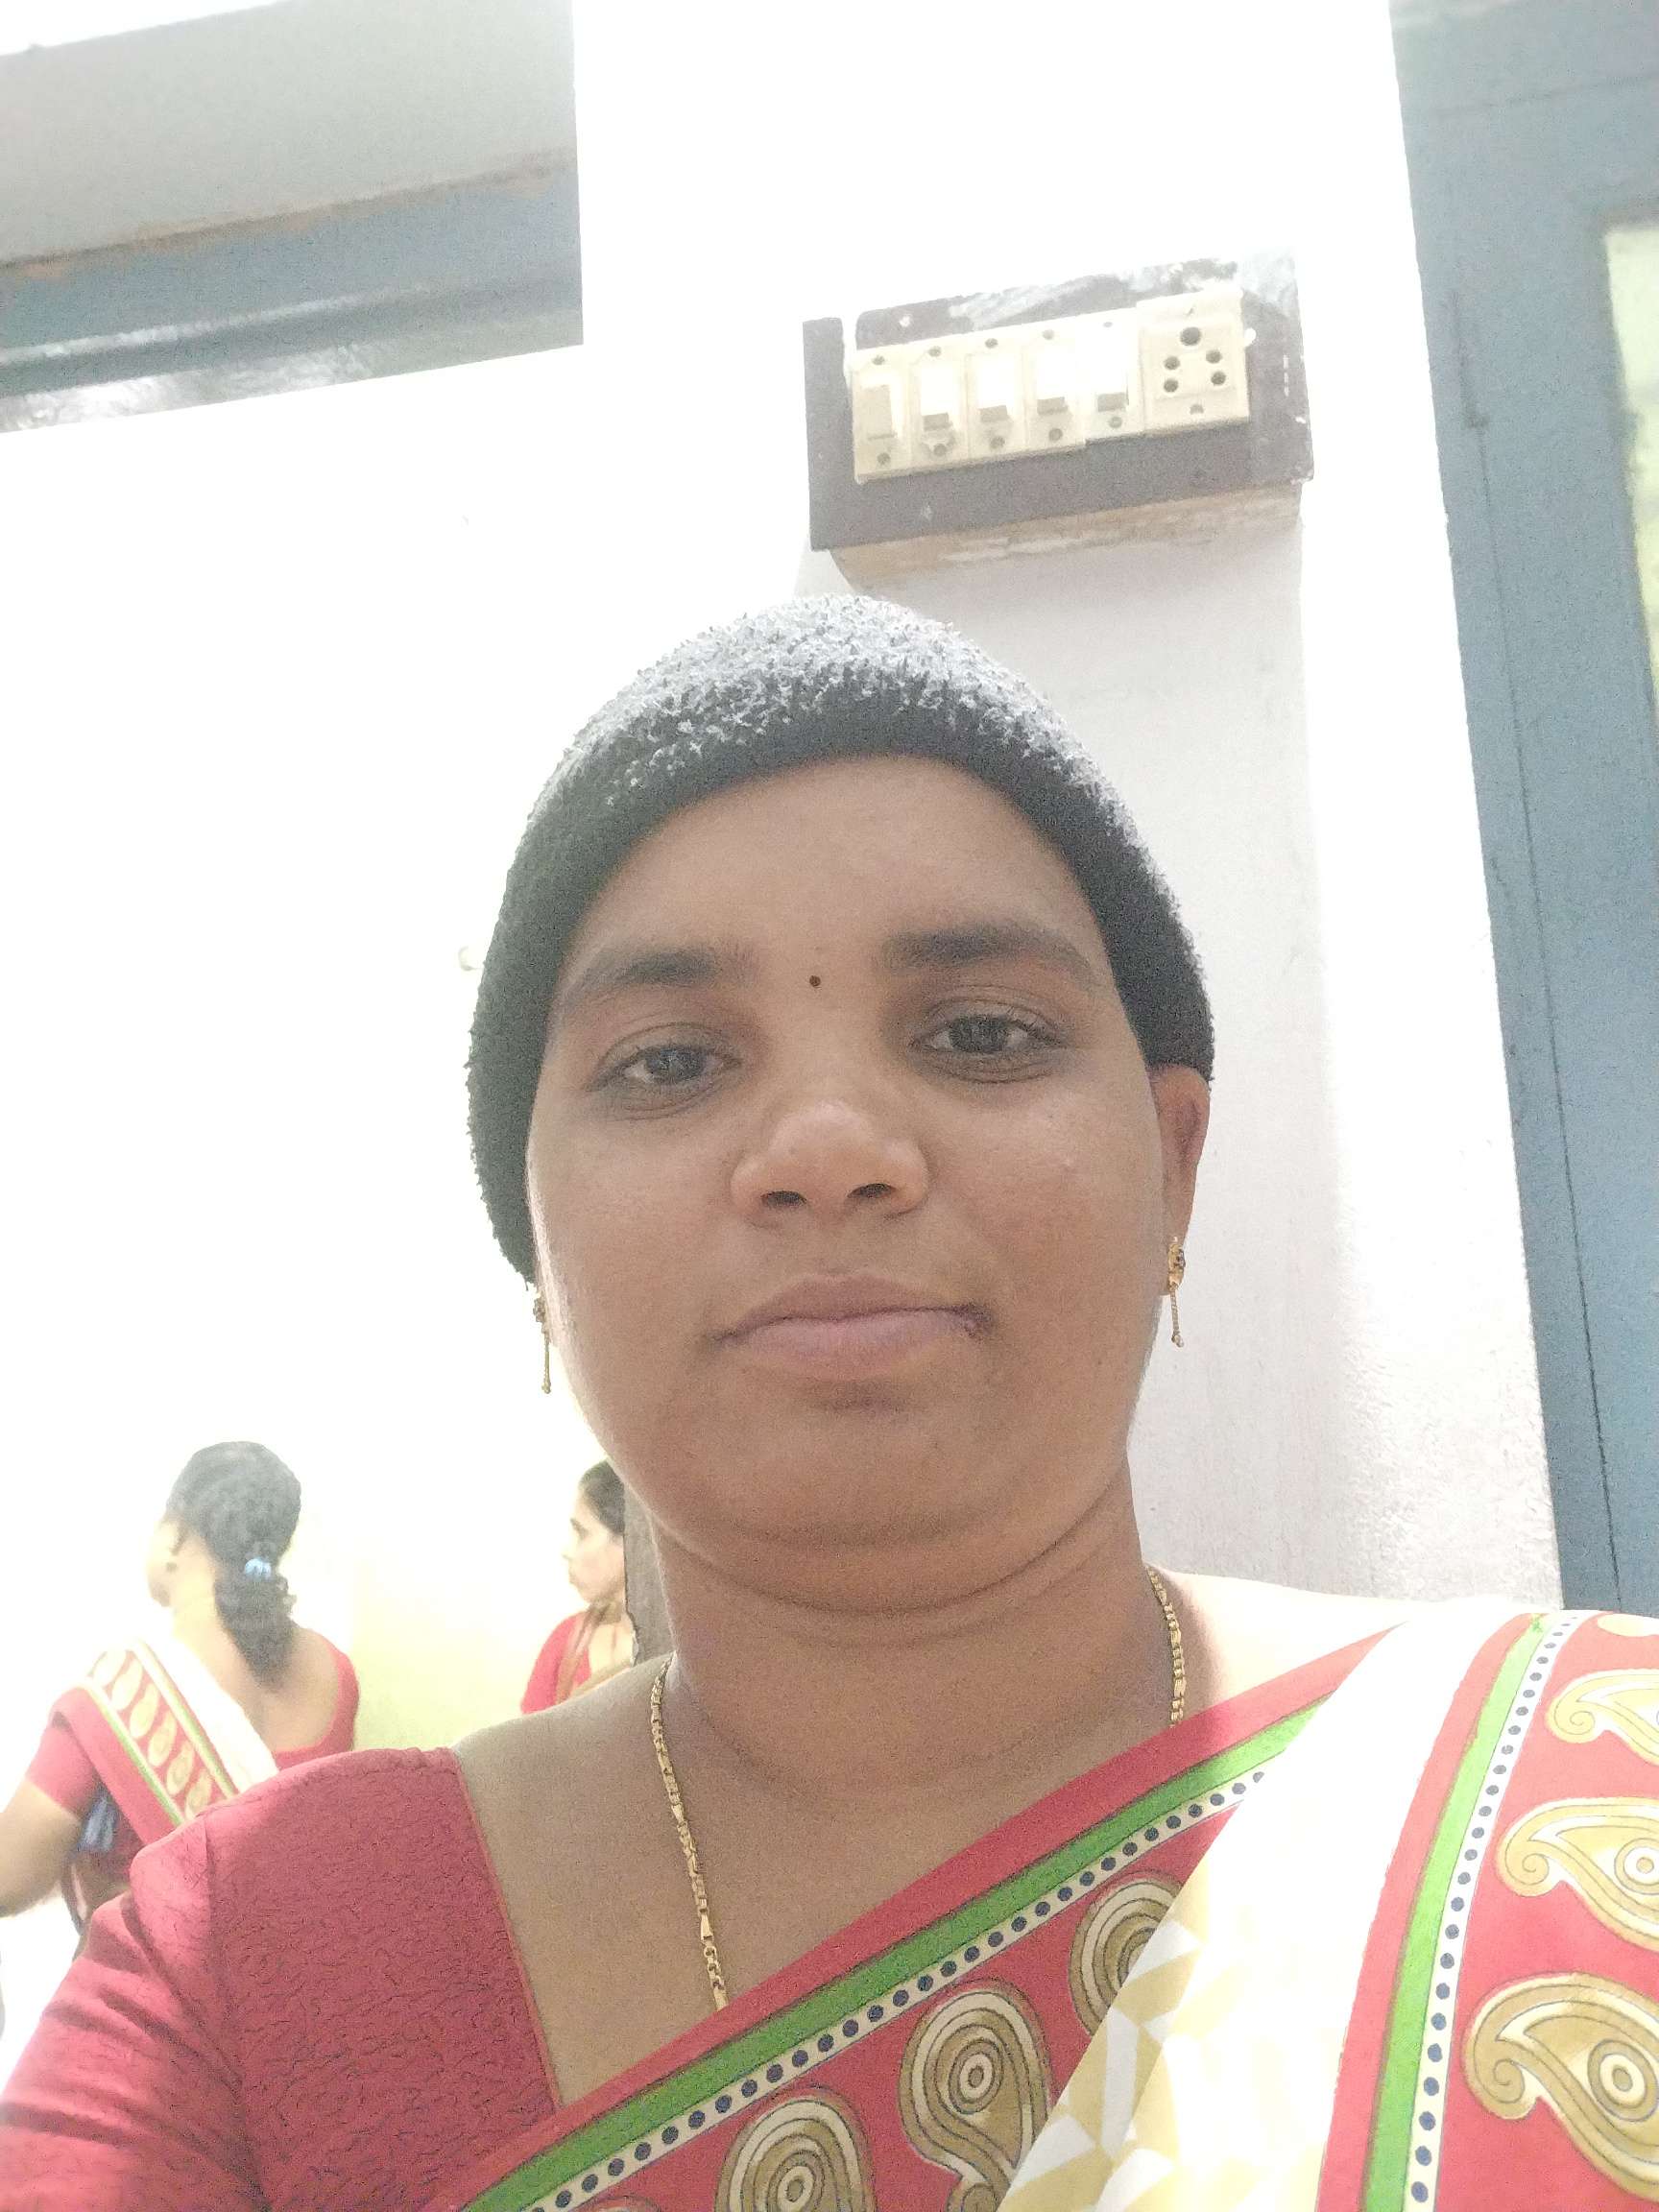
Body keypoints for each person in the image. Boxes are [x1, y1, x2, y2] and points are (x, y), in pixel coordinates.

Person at [1, 597, 1652, 2212]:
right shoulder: (257, 1967)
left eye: (980, 1031)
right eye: (668, 1061)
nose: (829, 1148)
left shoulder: (1596, 1784)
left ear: (1173, 1164)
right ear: (536, 1253)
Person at [0, 1440, 357, 1935]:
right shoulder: (336, 1674)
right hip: (284, 1975)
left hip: (148, 1982)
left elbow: (10, 1877)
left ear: (172, 1537)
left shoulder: (127, 1689)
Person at [521, 1461, 637, 1712]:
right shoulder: (567, 1642)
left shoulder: (684, 1660)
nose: (567, 1551)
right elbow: (529, 1734)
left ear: (632, 1538)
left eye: (582, 1533)